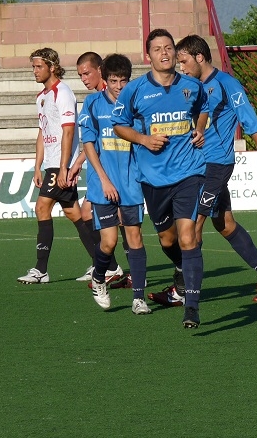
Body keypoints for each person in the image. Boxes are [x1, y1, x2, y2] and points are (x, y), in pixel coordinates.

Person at [149, 34, 257, 306]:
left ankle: (182, 291)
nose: (182, 66)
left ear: (200, 57)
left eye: (185, 60)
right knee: (224, 223)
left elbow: (251, 122)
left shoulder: (227, 84)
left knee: (193, 228)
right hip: (196, 166)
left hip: (216, 166)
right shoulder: (189, 87)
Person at [111, 28, 209, 328]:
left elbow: (203, 109)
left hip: (188, 172)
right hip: (153, 179)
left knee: (188, 236)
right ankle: (179, 265)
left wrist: (200, 128)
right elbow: (118, 125)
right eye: (157, 49)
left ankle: (191, 305)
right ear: (148, 55)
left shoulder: (191, 85)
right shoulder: (135, 90)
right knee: (167, 240)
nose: (164, 53)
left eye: (168, 47)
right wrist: (142, 139)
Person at [17, 48, 98, 284]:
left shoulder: (63, 92)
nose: (34, 71)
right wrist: (37, 166)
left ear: (52, 67)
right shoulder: (41, 97)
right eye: (33, 66)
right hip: (52, 164)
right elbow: (43, 132)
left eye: (38, 66)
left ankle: (41, 269)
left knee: (42, 208)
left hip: (62, 164)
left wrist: (63, 167)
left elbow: (69, 130)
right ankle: (105, 264)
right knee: (74, 213)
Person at [79, 53, 150, 314]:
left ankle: (139, 298)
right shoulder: (93, 104)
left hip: (131, 183)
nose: (119, 86)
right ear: (105, 79)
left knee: (135, 238)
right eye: (114, 80)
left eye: (123, 80)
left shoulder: (136, 104)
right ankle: (99, 279)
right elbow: (89, 144)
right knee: (108, 242)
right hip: (103, 184)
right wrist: (104, 181)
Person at [69, 51, 125, 284]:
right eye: (80, 75)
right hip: (96, 166)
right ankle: (108, 266)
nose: (83, 79)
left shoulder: (112, 95)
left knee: (122, 219)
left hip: (111, 166)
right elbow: (93, 138)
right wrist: (80, 161)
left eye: (87, 73)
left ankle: (114, 268)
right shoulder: (94, 99)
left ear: (100, 70)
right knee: (86, 213)